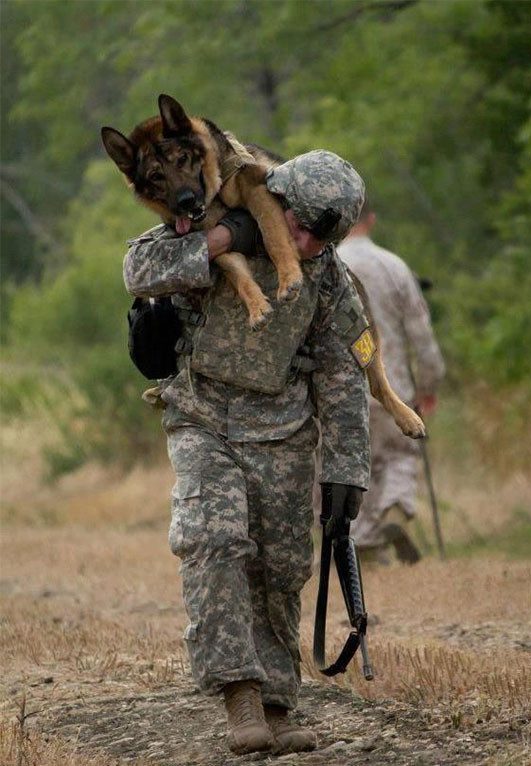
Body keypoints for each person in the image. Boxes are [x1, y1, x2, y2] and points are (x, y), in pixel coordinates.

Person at [122, 151, 370, 756]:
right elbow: (138, 269)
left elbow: (345, 371)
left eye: (322, 235)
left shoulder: (328, 277)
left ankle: (281, 704)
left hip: (283, 428)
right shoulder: (221, 228)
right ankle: (239, 695)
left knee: (282, 566)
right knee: (214, 541)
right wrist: (220, 239)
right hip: (203, 417)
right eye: (298, 225)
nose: (305, 243)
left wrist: (346, 472)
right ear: (277, 202)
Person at [337, 199, 445, 565]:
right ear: (372, 220)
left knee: (352, 468)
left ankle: (364, 545)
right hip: (394, 387)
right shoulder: (393, 266)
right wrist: (428, 386)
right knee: (399, 456)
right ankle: (395, 512)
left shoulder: (327, 264)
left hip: (339, 389)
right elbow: (422, 336)